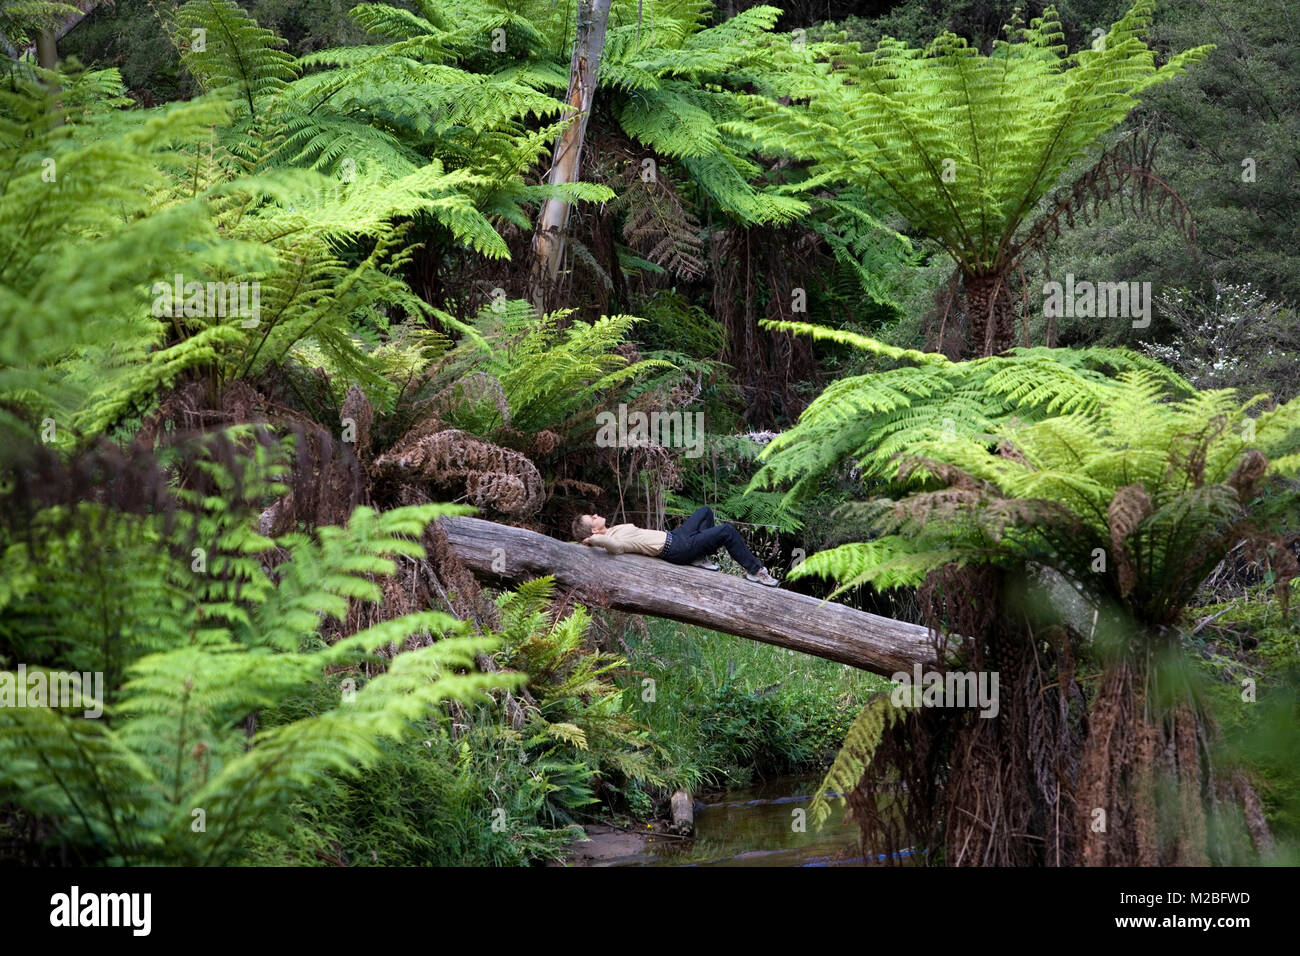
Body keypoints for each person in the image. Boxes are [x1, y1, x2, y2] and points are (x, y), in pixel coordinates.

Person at [572, 505, 779, 586]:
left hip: (675, 536)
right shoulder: (613, 541)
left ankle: (699, 557)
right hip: (677, 549)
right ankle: (756, 571)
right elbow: (615, 548)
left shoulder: (613, 530)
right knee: (727, 531)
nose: (597, 514)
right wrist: (591, 542)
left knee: (705, 511)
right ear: (593, 531)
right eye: (592, 517)